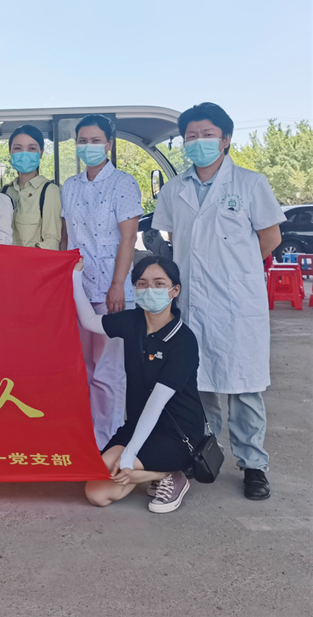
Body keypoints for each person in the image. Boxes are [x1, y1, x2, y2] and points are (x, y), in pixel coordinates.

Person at [151, 102, 285, 500]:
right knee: (199, 385)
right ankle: (202, 455)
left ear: (225, 140)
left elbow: (270, 238)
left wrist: (236, 270)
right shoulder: (174, 189)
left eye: (207, 135)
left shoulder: (250, 183)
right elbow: (172, 239)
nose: (198, 142)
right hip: (193, 302)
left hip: (238, 304)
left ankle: (254, 465)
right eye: (191, 136)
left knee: (244, 388)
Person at [76, 255, 207, 513]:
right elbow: (89, 322)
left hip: (177, 433)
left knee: (117, 472)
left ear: (174, 290)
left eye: (159, 284)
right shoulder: (132, 322)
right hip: (137, 426)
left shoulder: (183, 341)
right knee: (96, 493)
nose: (149, 290)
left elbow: (156, 404)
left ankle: (173, 472)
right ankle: (157, 473)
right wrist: (74, 276)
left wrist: (129, 455)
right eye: (142, 284)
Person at [61, 114, 143, 449]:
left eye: (96, 141)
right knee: (82, 366)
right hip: (78, 287)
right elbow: (67, 237)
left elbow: (129, 238)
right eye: (83, 141)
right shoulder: (70, 186)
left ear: (108, 144)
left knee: (108, 370)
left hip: (111, 288)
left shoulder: (123, 183)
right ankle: (86, 437)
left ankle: (107, 442)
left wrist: (118, 284)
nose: (89, 146)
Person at [3, 125, 62, 250]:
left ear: (41, 153)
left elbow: (52, 241)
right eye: (18, 148)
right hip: (4, 261)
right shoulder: (5, 191)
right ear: (10, 152)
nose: (24, 154)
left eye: (32, 148)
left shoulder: (49, 191)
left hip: (33, 261)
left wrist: (23, 258)